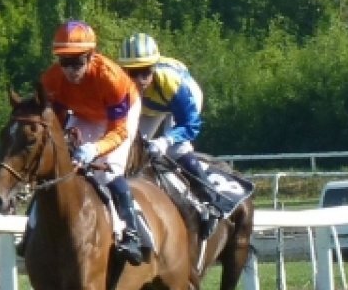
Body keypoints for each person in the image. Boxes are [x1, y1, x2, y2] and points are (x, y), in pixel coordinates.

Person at [38, 20, 145, 264]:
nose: (71, 70)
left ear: (91, 56)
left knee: (107, 172)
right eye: (65, 62)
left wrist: (95, 148)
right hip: (84, 114)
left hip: (120, 115)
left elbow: (118, 131)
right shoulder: (51, 80)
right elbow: (56, 117)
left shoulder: (111, 78)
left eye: (77, 62)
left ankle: (131, 232)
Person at [116, 32, 238, 235]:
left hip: (179, 100)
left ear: (153, 68)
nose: (139, 80)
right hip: (148, 107)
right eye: (132, 73)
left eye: (145, 72)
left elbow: (190, 124)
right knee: (129, 146)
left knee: (176, 149)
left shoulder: (171, 83)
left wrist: (166, 140)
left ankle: (210, 200)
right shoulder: (118, 85)